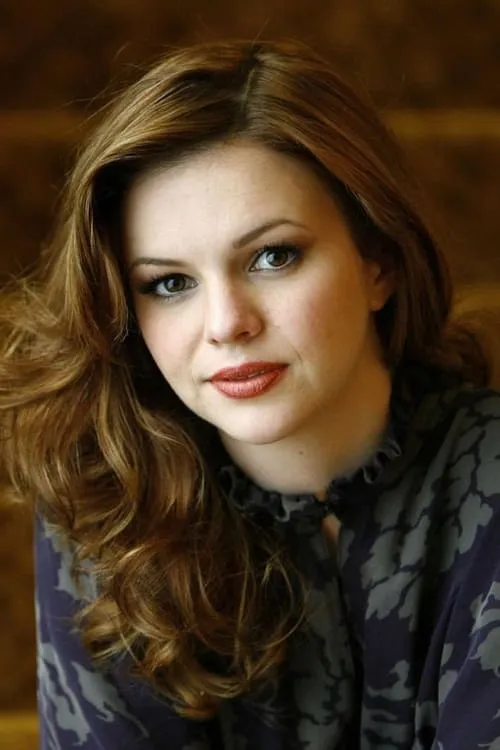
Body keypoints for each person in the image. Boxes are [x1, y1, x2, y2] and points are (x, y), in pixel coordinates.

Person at [1, 39, 499, 750]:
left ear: (379, 262)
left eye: (273, 256)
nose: (226, 324)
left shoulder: (489, 480)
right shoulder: (106, 500)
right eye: (169, 283)